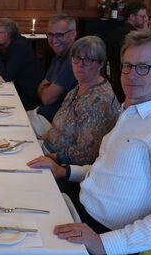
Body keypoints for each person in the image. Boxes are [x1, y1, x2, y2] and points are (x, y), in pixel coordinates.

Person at [27, 30, 151, 254]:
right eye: (127, 65)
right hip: (80, 210)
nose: (131, 74)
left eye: (143, 67)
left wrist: (104, 243)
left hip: (105, 234)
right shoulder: (130, 113)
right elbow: (108, 171)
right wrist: (65, 171)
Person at [40, 36, 120, 166]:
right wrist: (37, 141)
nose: (80, 64)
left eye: (88, 59)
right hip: (48, 150)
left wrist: (48, 157)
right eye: (76, 58)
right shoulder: (78, 88)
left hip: (64, 168)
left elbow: (86, 154)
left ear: (100, 63)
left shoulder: (99, 100)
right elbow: (57, 127)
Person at [27, 14, 78, 136]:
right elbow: (41, 87)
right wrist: (45, 89)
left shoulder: (73, 61)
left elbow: (47, 98)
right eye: (50, 34)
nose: (53, 40)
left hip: (51, 125)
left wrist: (45, 89)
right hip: (39, 113)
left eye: (59, 35)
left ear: (73, 34)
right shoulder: (59, 56)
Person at [0, 17, 43, 111]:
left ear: (5, 35)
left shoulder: (18, 47)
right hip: (21, 90)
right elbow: (8, 65)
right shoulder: (16, 42)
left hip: (27, 98)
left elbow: (7, 76)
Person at [105, 0, 148, 102]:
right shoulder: (135, 39)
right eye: (143, 16)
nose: (146, 20)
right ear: (132, 17)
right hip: (129, 83)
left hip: (112, 82)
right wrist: (145, 33)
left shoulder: (113, 32)